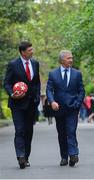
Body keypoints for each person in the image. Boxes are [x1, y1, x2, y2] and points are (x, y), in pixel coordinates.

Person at [4, 41, 40, 169]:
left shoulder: (35, 63)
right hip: (17, 104)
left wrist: (37, 98)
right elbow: (6, 83)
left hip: (31, 104)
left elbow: (37, 83)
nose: (32, 51)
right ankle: (20, 156)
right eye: (30, 50)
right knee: (19, 130)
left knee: (29, 131)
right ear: (22, 52)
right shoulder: (13, 64)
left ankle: (26, 157)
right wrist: (12, 94)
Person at [46, 50, 85, 167]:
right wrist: (52, 101)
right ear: (62, 60)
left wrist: (78, 103)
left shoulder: (77, 74)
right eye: (69, 58)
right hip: (59, 109)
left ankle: (73, 154)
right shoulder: (53, 74)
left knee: (71, 131)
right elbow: (49, 90)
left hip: (72, 108)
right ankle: (64, 156)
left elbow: (81, 90)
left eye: (71, 58)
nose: (71, 60)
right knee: (62, 133)